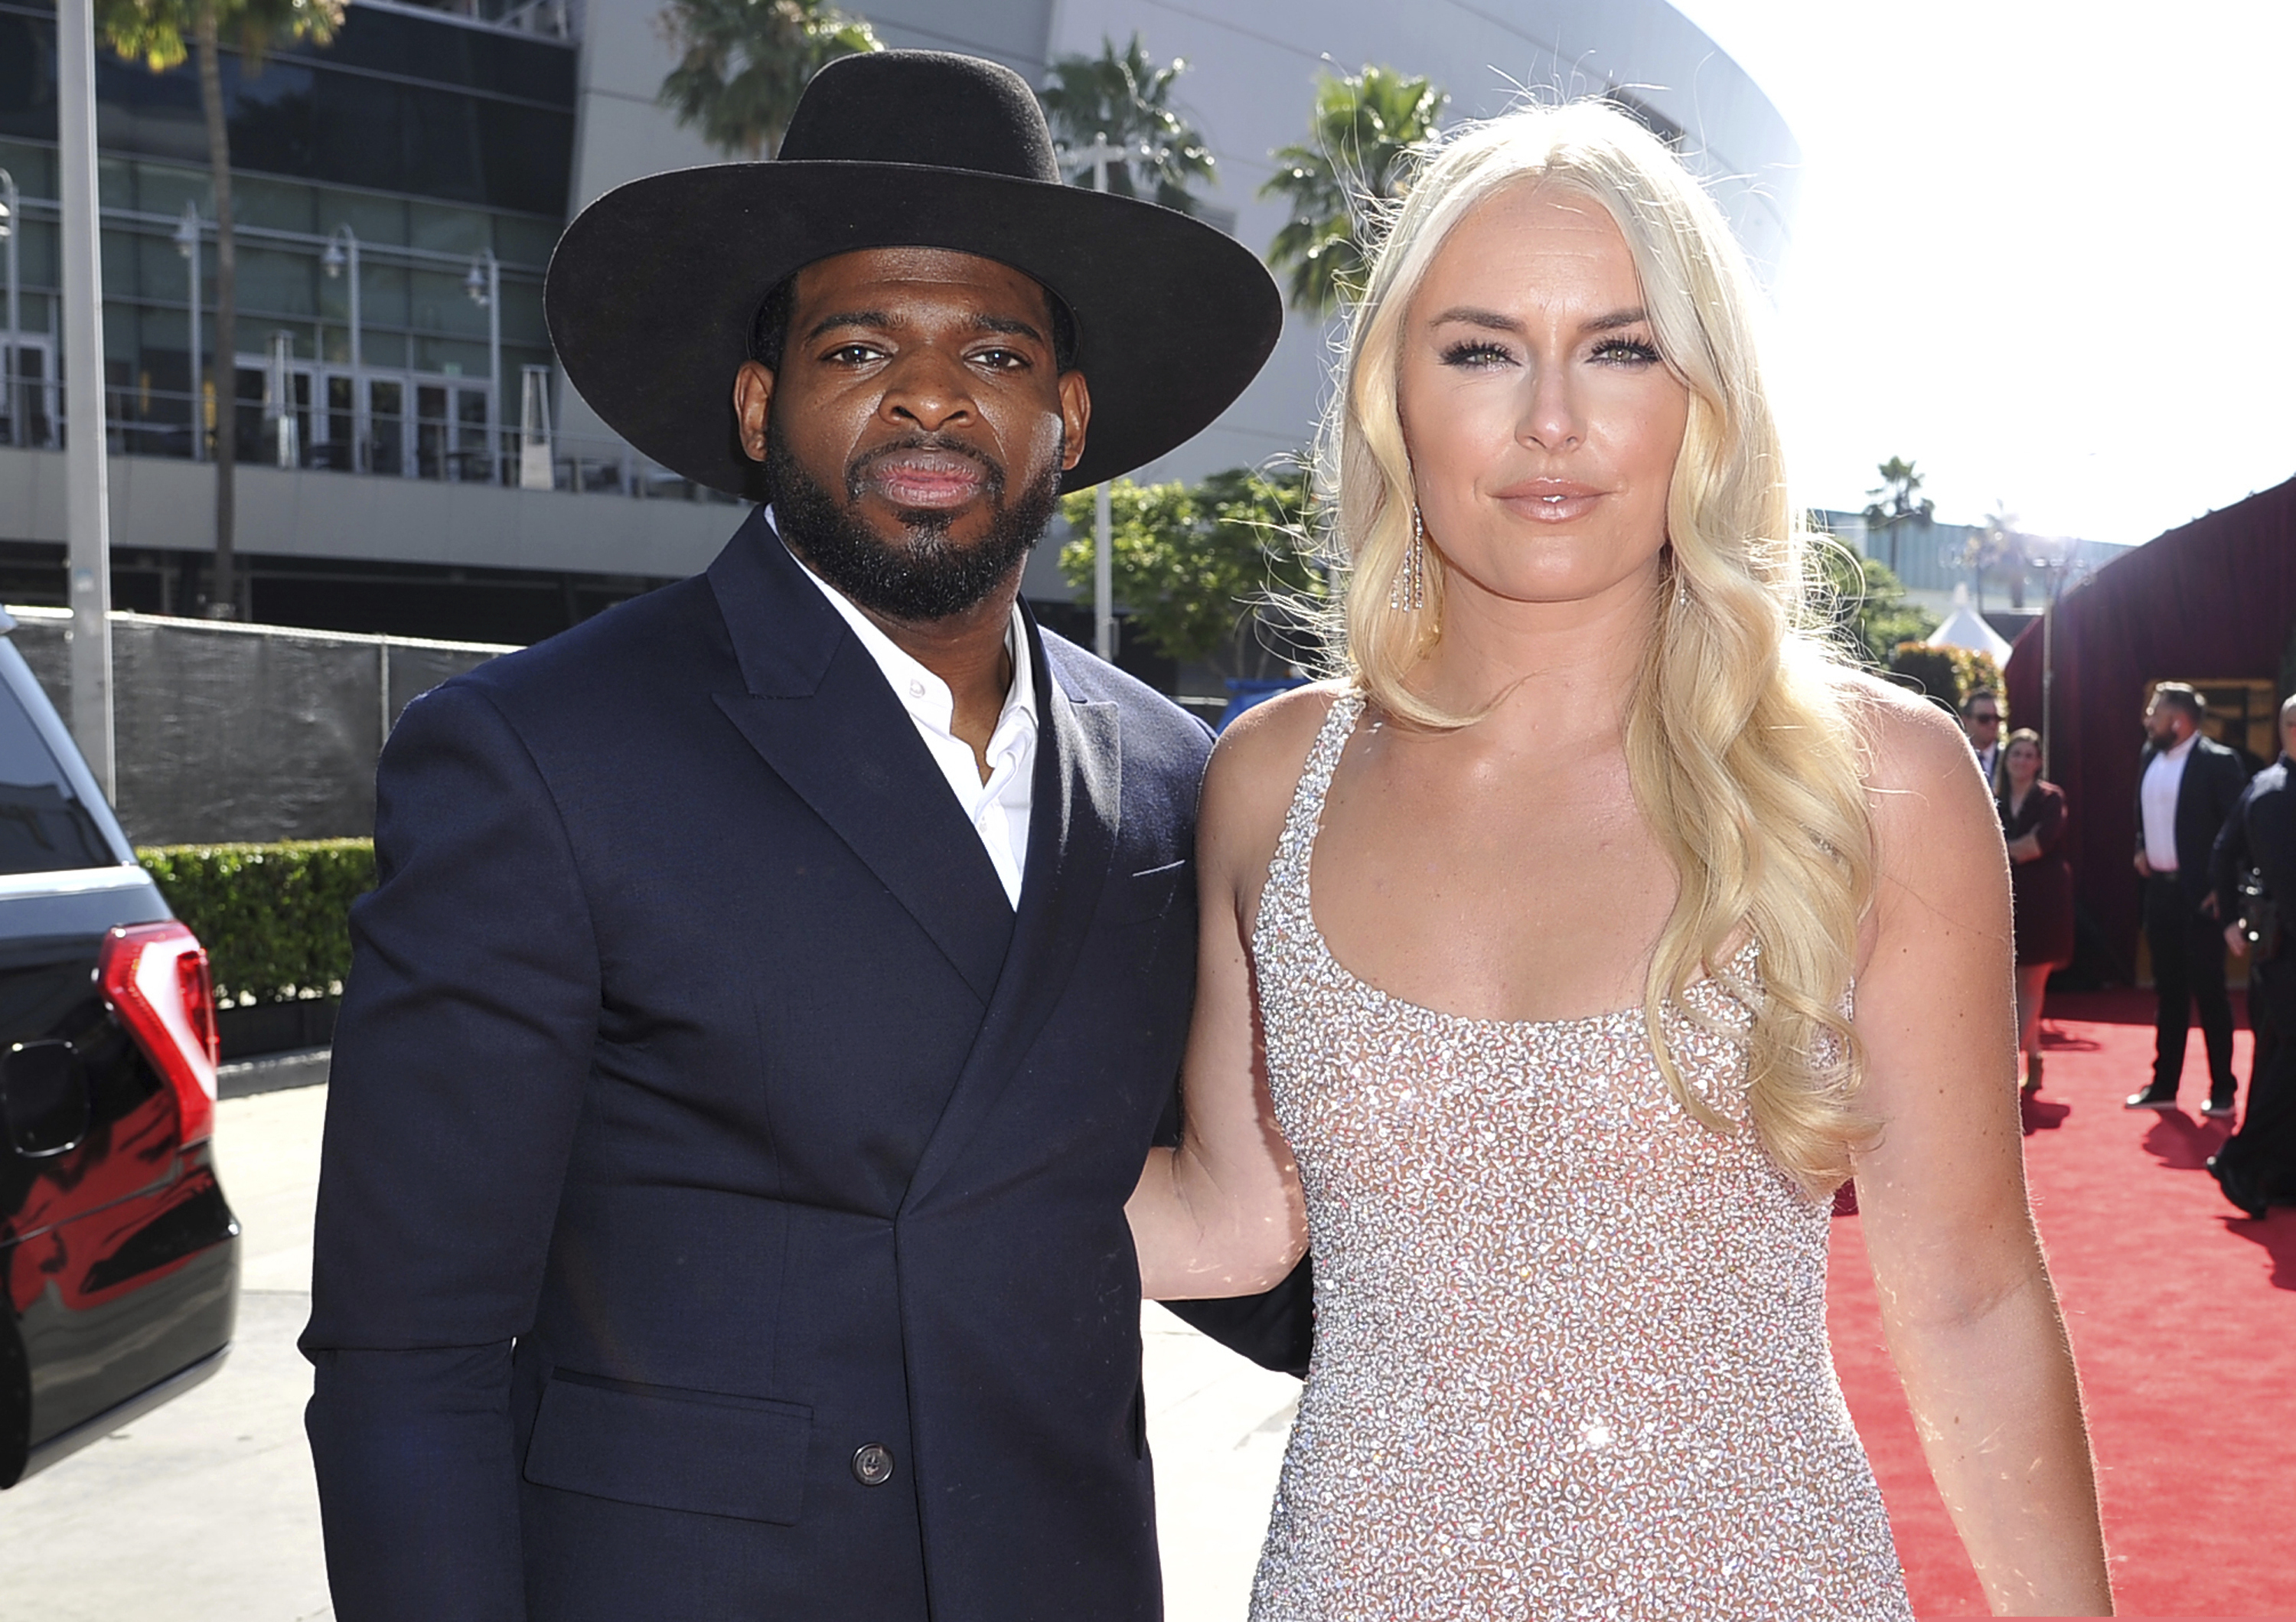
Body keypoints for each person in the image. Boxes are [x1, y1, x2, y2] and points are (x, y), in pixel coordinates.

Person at [298, 51, 1309, 1621]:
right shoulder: (537, 756)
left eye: (994, 348)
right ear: (763, 404)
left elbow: (1228, 1229)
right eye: (858, 344)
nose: (929, 391)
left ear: (1068, 416)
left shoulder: (1181, 778)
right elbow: (407, 1359)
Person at [1121, 102, 2112, 1618]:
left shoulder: (1871, 782)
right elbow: (1231, 1216)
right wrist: (789, 1158)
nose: (1551, 420)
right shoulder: (1272, 783)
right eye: (1480, 349)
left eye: (1622, 347)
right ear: (1395, 394)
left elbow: (1969, 1297)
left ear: (1706, 398)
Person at [2128, 682, 2250, 1114]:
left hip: (2201, 898)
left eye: (2154, 713)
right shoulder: (2150, 756)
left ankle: (2223, 1090)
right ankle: (2164, 1085)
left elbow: (2240, 829)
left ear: (2178, 721)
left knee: (2210, 991)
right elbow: (2148, 813)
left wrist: (2224, 887)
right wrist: (2143, 846)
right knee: (2168, 990)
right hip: (2160, 892)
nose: (2147, 719)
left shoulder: (2217, 763)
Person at [2208, 694, 2296, 1216]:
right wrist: (2230, 923)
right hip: (2286, 955)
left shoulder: (2264, 787)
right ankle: (2238, 1157)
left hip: (2275, 956)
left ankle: (2277, 1169)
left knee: (2278, 1058)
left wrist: (2230, 922)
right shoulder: (2278, 794)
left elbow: (2222, 852)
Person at [1998, 727, 2074, 1092]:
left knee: (2032, 982)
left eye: (2030, 755)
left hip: (2045, 903)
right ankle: (2035, 1055)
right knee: (2013, 983)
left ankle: (2006, 1063)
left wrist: (1994, 849)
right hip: (2007, 902)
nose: (2023, 761)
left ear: (2039, 761)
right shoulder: (1992, 797)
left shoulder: (2050, 798)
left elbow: (2036, 845)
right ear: (2006, 758)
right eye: (2017, 754)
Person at [1964, 687, 2005, 782]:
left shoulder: (2010, 759)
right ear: (1966, 720)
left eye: (1997, 718)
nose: (1992, 724)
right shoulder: (1956, 757)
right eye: (1984, 719)